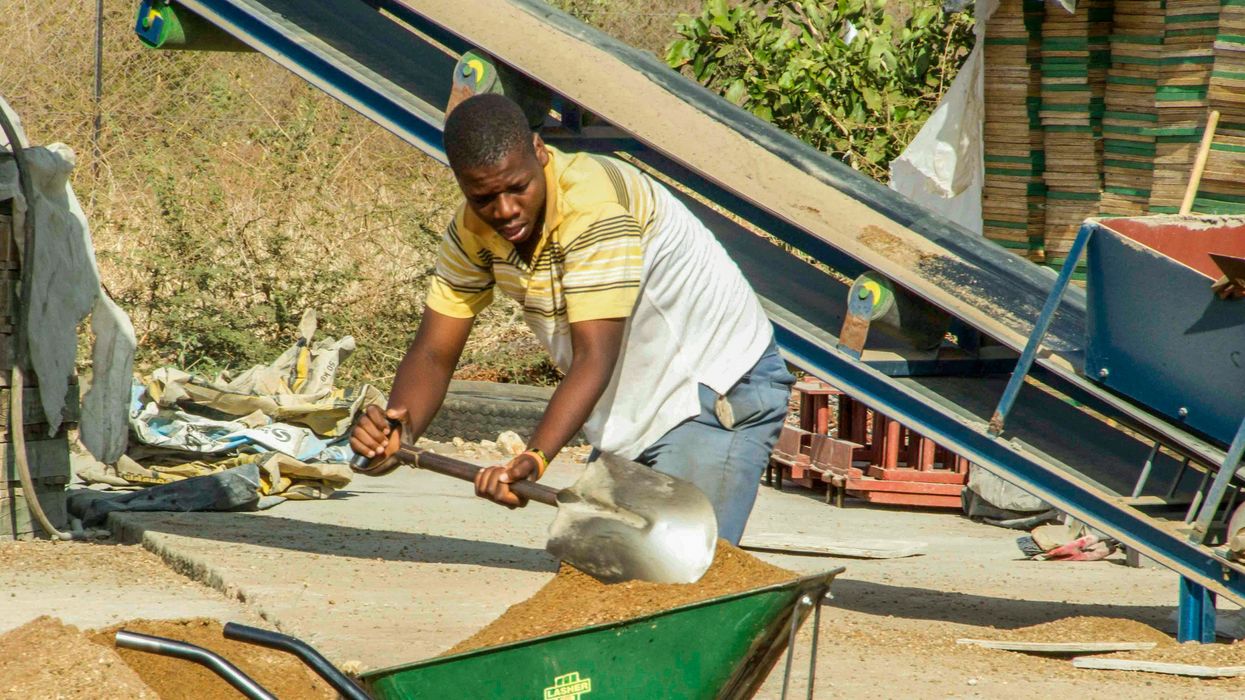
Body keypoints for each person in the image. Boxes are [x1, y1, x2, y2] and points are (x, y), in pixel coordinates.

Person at [350, 93, 793, 544]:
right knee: (590, 581)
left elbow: (594, 357)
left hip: (713, 391)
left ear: (539, 153)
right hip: (634, 405)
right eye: (483, 197)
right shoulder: (471, 233)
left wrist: (535, 458)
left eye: (517, 187)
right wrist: (399, 431)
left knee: (682, 577)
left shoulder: (593, 207)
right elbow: (433, 352)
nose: (504, 210)